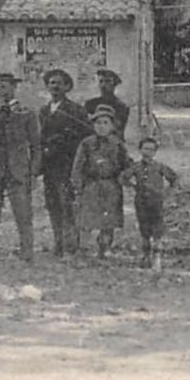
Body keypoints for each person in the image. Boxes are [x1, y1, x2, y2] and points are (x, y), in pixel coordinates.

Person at [0, 72, 40, 269]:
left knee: (23, 213)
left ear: (14, 88)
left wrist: (33, 173)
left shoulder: (27, 113)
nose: (1, 90)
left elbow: (36, 145)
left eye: (4, 86)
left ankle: (27, 253)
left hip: (18, 169)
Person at [38, 68, 91, 256]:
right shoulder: (43, 111)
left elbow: (85, 137)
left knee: (67, 204)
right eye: (51, 83)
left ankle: (71, 244)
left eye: (59, 83)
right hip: (49, 166)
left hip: (67, 164)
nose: (55, 87)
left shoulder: (75, 110)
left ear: (67, 87)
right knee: (52, 204)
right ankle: (58, 243)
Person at [71, 107, 130, 260]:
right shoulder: (86, 144)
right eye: (98, 123)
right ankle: (83, 248)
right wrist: (78, 187)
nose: (101, 126)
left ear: (112, 126)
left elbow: (127, 165)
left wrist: (125, 176)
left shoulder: (118, 144)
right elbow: (77, 167)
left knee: (108, 219)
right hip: (91, 185)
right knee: (86, 219)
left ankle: (104, 248)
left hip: (111, 185)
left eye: (105, 123)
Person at [123, 137, 178, 269]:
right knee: (144, 228)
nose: (148, 152)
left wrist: (167, 192)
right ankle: (145, 256)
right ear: (140, 150)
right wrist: (132, 186)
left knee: (157, 228)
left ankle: (157, 258)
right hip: (141, 201)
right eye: (145, 148)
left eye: (151, 149)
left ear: (155, 152)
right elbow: (123, 177)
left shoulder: (159, 166)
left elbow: (173, 178)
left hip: (156, 201)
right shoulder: (135, 166)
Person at [84, 69, 131, 138]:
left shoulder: (121, 106)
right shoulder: (90, 104)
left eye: (107, 81)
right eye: (101, 81)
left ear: (114, 84)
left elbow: (119, 129)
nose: (103, 85)